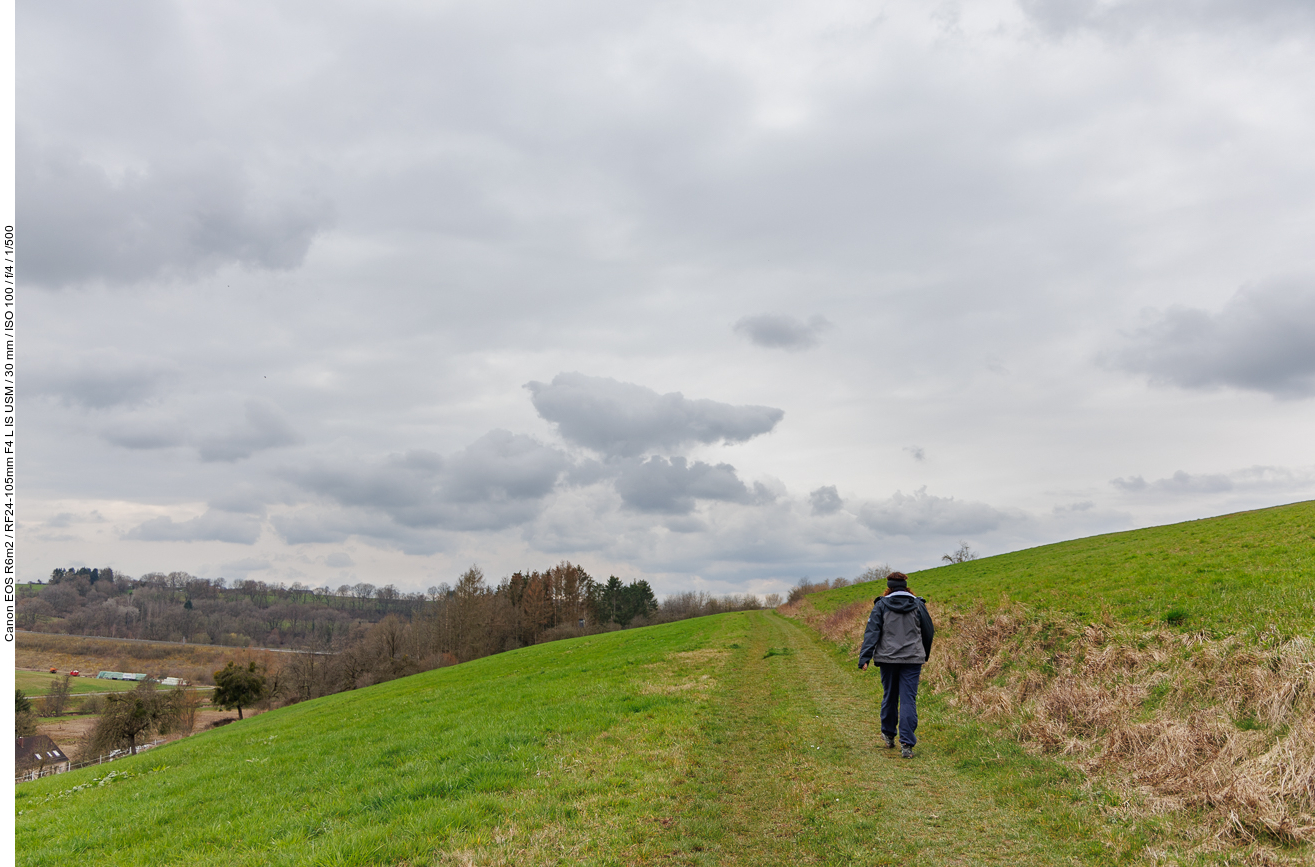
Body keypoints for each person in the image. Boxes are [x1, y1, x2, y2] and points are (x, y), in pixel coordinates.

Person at [858, 572, 934, 758]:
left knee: (890, 696)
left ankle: (889, 735)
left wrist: (865, 657)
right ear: (906, 586)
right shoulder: (918, 605)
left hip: (888, 659)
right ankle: (907, 743)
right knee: (908, 700)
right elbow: (928, 631)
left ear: (889, 587)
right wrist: (924, 653)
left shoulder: (881, 605)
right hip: (913, 659)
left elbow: (872, 632)